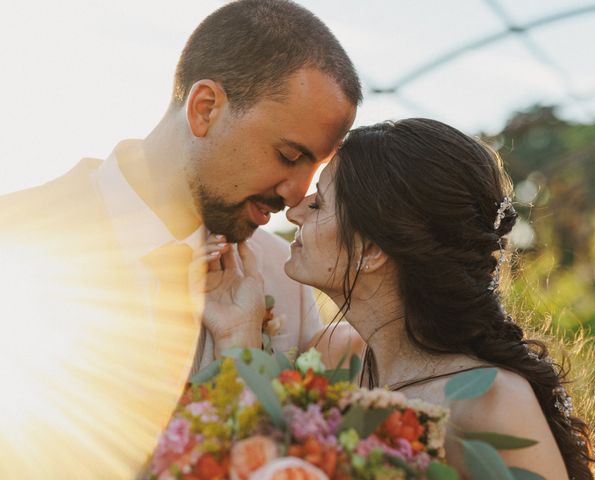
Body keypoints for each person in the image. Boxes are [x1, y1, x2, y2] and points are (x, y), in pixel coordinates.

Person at [0, 1, 360, 477]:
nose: (297, 196)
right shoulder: (17, 239)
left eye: (315, 172)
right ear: (205, 108)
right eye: (289, 155)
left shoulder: (284, 274)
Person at [199, 118, 595, 479]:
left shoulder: (493, 401)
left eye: (320, 201)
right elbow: (250, 452)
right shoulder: (332, 357)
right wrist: (239, 332)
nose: (294, 212)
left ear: (373, 249)